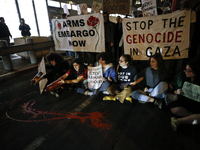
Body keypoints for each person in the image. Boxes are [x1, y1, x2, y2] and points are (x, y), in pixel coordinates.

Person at [167, 61, 200, 131]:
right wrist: (176, 91)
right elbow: (174, 87)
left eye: (189, 71)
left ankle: (179, 121)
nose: (186, 72)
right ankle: (191, 117)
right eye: (186, 70)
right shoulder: (184, 77)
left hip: (196, 105)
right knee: (173, 108)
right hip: (186, 102)